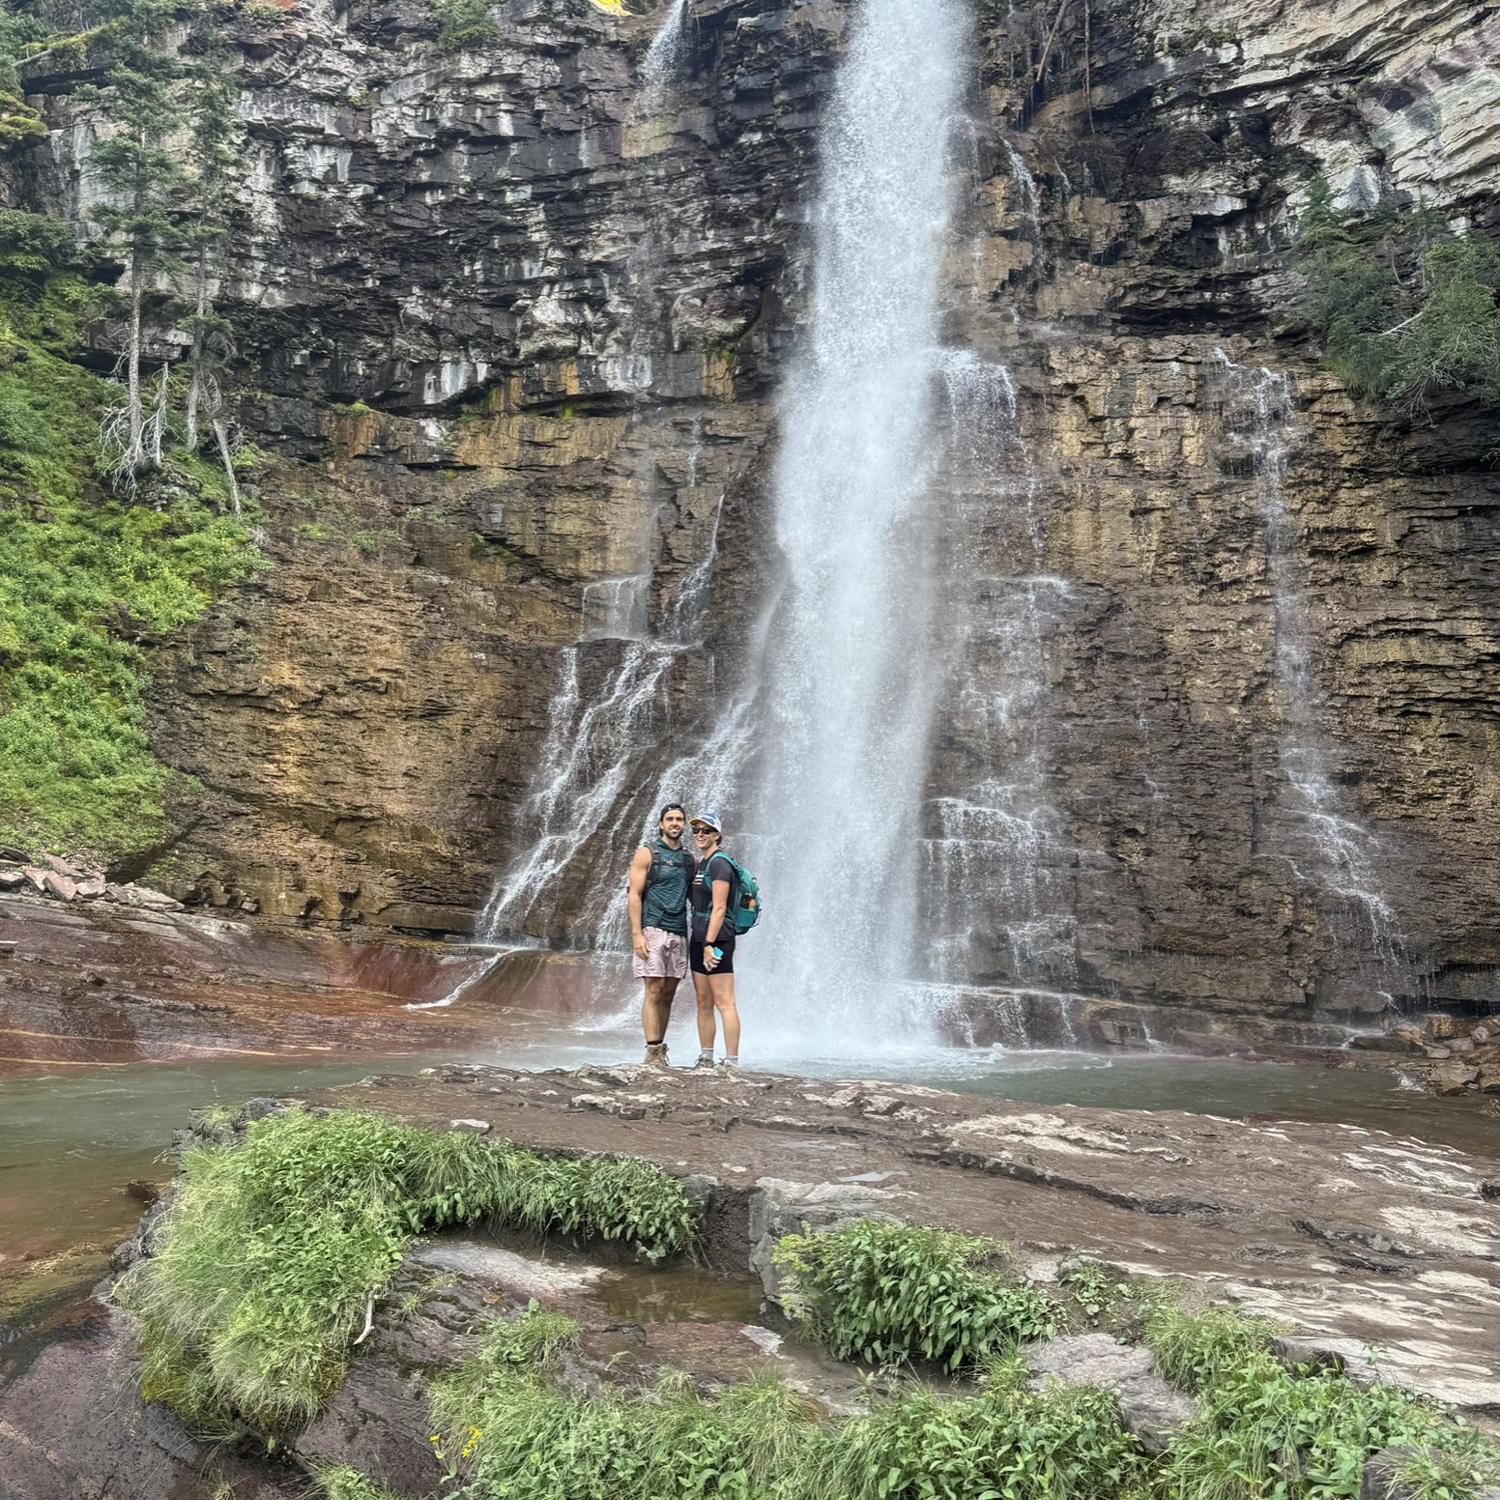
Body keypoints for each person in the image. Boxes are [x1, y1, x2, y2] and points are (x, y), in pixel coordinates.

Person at [627, 803, 695, 1070]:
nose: (675, 823)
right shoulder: (648, 853)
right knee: (653, 989)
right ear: (661, 824)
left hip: (679, 931)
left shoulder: (689, 859)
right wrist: (637, 935)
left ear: (684, 824)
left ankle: (660, 1047)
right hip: (653, 929)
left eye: (679, 819)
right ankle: (652, 1050)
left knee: (668, 991)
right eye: (670, 819)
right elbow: (634, 894)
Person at [688, 812, 742, 1071]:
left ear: (717, 835)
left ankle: (731, 1062)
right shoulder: (702, 863)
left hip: (717, 939)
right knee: (703, 1000)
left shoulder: (720, 864)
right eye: (696, 830)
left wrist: (710, 944)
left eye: (706, 830)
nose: (700, 834)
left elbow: (720, 908)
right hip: (699, 937)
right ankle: (706, 1057)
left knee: (724, 1001)